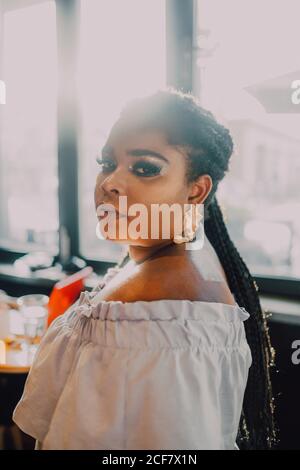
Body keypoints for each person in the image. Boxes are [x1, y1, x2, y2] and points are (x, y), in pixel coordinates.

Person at [13, 89, 276, 450]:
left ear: (196, 191)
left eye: (145, 168)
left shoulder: (156, 304)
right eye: (107, 162)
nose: (110, 183)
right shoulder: (180, 260)